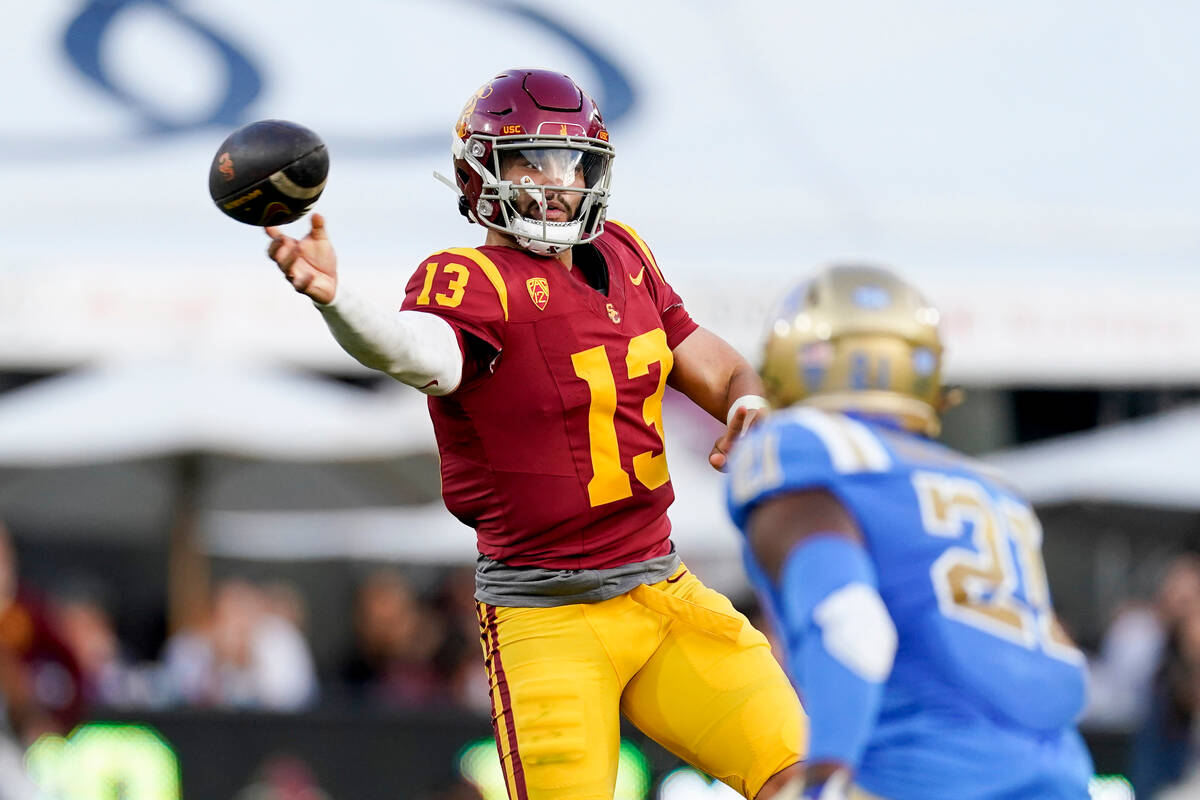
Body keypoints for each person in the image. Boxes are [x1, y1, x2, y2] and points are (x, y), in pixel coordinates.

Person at [262, 68, 805, 799]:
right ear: (477, 173)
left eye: (569, 162)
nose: (554, 181)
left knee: (805, 778)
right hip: (547, 618)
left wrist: (751, 406)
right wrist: (337, 300)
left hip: (661, 590)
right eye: (529, 160)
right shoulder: (468, 278)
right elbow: (416, 351)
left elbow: (718, 366)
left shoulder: (624, 254)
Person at [724, 265, 1093, 799]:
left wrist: (825, 777)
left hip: (921, 777)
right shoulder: (988, 487)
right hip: (1060, 775)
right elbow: (1057, 655)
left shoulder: (801, 448)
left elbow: (850, 626)